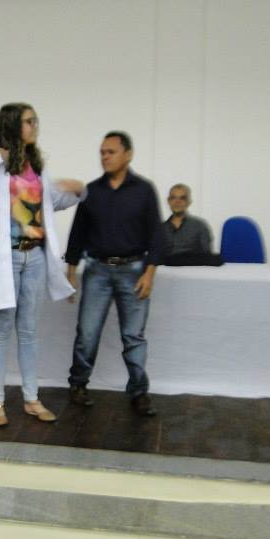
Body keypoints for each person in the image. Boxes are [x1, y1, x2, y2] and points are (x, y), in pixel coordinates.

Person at [0, 103, 85, 427]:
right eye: (28, 121)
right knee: (0, 332)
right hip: (5, 258)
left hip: (35, 256)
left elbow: (49, 202)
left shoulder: (35, 165)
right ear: (12, 125)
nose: (35, 125)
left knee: (28, 332)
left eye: (35, 120)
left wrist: (78, 192)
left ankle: (31, 398)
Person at [65, 131, 165, 417]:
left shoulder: (144, 190)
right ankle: (78, 384)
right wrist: (71, 272)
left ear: (128, 154)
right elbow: (77, 233)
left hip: (134, 272)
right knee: (87, 333)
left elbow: (156, 236)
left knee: (134, 336)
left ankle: (138, 392)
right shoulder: (92, 191)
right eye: (102, 152)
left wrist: (149, 274)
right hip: (96, 271)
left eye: (111, 152)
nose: (105, 157)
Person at [162, 183, 222, 266]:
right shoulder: (159, 229)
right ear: (168, 201)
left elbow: (207, 255)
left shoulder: (200, 226)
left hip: (193, 271)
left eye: (182, 198)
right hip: (166, 272)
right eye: (173, 198)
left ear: (188, 202)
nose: (177, 202)